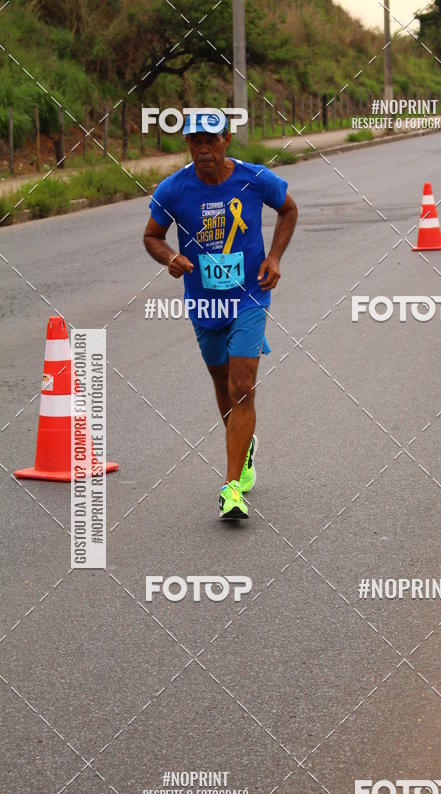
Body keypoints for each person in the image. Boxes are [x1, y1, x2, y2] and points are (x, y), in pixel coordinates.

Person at [143, 111, 298, 519]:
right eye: (195, 141)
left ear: (227, 139)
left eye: (210, 140)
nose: (203, 149)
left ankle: (232, 487)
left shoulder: (254, 177)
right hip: (205, 303)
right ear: (187, 145)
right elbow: (151, 236)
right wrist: (171, 257)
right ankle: (244, 450)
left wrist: (275, 257)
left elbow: (289, 209)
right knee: (223, 383)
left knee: (243, 385)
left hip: (249, 296)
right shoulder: (173, 189)